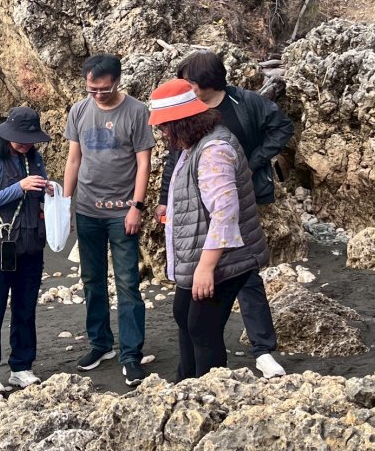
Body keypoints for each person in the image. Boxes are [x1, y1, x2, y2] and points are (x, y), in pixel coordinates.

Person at [155, 50, 293, 378]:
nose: (161, 134)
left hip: (223, 256)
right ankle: (184, 384)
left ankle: (211, 391)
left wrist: (205, 267)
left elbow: (225, 214)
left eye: (164, 128)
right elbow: (177, 177)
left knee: (203, 326)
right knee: (185, 315)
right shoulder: (192, 144)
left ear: (182, 123)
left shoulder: (214, 149)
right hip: (202, 247)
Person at [63, 54, 156, 386]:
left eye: (103, 89)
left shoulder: (136, 111)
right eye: (91, 89)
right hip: (87, 209)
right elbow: (74, 160)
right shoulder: (79, 110)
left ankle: (130, 354)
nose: (97, 95)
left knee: (128, 283)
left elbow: (143, 164)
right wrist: (64, 205)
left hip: (122, 212)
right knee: (91, 280)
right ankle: (100, 344)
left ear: (117, 81)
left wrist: (137, 207)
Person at [0, 107, 52, 404]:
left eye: (30, 139)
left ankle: (21, 367)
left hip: (30, 243)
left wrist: (49, 190)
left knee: (25, 308)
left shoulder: (35, 158)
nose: (25, 144)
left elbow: (38, 192)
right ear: (7, 136)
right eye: (20, 139)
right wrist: (19, 187)